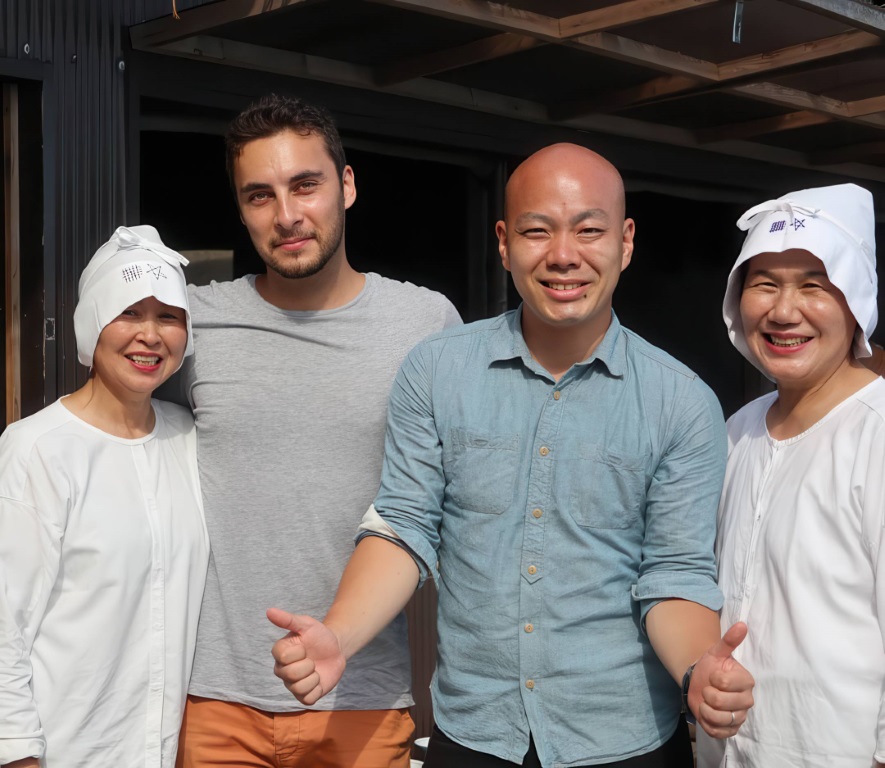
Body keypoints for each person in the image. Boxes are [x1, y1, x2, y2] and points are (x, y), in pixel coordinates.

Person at [269, 143, 755, 768]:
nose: (563, 256)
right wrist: (338, 636)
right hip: (473, 732)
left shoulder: (682, 402)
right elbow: (405, 524)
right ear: (503, 241)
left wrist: (697, 671)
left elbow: (674, 572)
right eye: (537, 231)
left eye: (589, 231)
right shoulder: (436, 370)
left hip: (624, 737)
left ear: (625, 242)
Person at [171, 95, 460, 768]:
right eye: (259, 196)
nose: (287, 215)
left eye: (305, 185)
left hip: (363, 700)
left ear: (347, 185)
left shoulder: (427, 324)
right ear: (240, 209)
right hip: (215, 703)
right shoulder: (192, 325)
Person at [0, 226, 209, 768]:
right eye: (129, 313)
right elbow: (5, 628)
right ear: (93, 322)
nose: (150, 335)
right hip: (64, 752)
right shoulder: (37, 450)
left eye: (168, 317)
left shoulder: (189, 438)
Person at [697, 184, 885, 768]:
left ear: (855, 299)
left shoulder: (876, 433)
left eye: (814, 285)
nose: (783, 311)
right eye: (764, 284)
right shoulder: (736, 431)